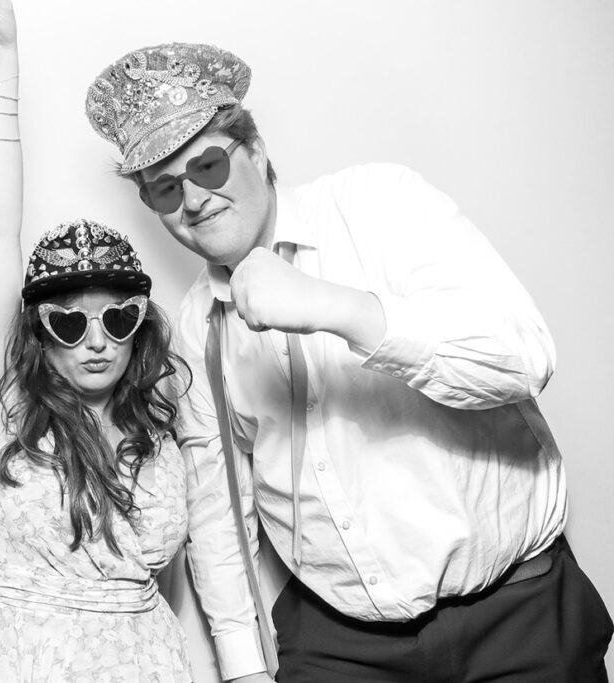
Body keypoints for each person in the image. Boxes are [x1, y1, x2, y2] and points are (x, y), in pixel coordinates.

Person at [84, 43, 614, 682]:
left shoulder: (381, 204)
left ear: (255, 152)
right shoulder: (197, 326)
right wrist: (244, 665)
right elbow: (220, 507)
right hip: (343, 645)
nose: (192, 200)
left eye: (210, 166)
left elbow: (522, 358)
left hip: (516, 613)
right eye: (165, 189)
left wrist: (338, 308)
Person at [0, 1, 192, 680]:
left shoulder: (158, 430)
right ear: (37, 331)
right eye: (68, 322)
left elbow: (165, 592)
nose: (96, 341)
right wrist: (0, 65)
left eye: (116, 318)